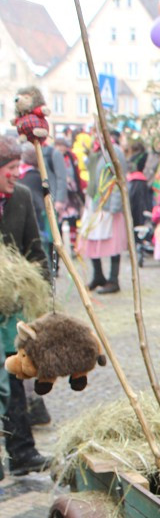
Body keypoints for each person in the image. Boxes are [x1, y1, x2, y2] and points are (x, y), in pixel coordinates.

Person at [0, 135, 50, 476]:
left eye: (19, 165)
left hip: (11, 309)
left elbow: (35, 248)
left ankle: (21, 453)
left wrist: (43, 292)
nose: (18, 172)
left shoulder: (21, 198)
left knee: (15, 377)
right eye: (11, 167)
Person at [77, 132, 128, 294]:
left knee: (113, 243)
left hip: (108, 205)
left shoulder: (115, 151)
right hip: (95, 203)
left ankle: (114, 280)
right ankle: (98, 275)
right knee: (91, 240)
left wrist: (115, 205)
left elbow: (118, 178)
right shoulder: (97, 152)